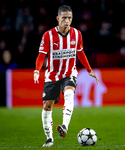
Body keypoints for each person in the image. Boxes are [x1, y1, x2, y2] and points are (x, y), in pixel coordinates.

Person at [33, 5, 100, 147]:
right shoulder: (48, 35)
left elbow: (80, 53)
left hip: (69, 73)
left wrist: (89, 69)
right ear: (58, 18)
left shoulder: (77, 34)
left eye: (69, 18)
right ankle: (49, 138)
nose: (67, 20)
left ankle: (65, 126)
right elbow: (41, 56)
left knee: (69, 93)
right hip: (52, 76)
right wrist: (37, 70)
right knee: (46, 106)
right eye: (64, 18)